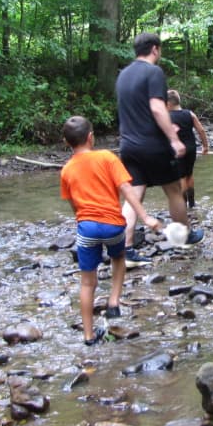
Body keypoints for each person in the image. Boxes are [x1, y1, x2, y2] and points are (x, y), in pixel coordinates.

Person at [58, 116, 161, 346]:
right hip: (113, 225)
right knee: (119, 257)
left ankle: (88, 336)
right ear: (90, 137)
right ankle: (113, 300)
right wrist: (145, 217)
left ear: (66, 142)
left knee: (87, 283)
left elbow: (73, 203)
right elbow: (126, 189)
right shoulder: (107, 157)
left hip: (87, 228)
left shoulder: (66, 170)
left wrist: (82, 220)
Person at [115, 33, 201, 266]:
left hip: (128, 145)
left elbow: (136, 110)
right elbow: (156, 107)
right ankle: (185, 236)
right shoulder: (153, 72)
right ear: (155, 49)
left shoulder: (123, 75)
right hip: (153, 145)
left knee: (134, 195)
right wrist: (173, 138)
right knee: (173, 190)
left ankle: (125, 249)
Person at [166, 89, 210, 209]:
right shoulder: (190, 114)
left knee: (181, 177)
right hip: (191, 149)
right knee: (189, 175)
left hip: (177, 151)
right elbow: (201, 130)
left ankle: (183, 205)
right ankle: (192, 203)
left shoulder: (167, 117)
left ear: (168, 103)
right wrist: (205, 146)